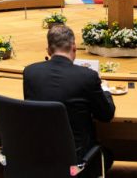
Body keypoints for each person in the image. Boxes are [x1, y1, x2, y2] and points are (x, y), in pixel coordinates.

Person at [23, 25, 115, 176]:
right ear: (74, 48)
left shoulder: (30, 73)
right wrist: (105, 90)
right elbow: (106, 115)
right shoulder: (87, 77)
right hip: (76, 161)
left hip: (37, 154)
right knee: (107, 155)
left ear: (48, 50)